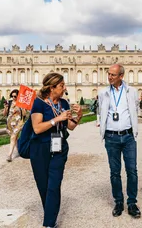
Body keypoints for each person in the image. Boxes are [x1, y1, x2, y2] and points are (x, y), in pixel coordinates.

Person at [29, 73, 83, 228]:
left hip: (59, 147)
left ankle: (49, 224)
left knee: (54, 184)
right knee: (43, 186)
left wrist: (78, 115)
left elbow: (71, 126)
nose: (64, 88)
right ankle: (50, 214)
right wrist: (57, 119)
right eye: (61, 85)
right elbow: (37, 128)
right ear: (52, 88)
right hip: (40, 148)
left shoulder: (64, 103)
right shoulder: (38, 103)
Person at [98, 64, 141, 218]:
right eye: (108, 74)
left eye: (113, 75)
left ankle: (132, 203)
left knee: (132, 171)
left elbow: (135, 108)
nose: (109, 77)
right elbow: (100, 111)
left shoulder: (132, 91)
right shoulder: (103, 93)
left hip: (128, 136)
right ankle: (118, 201)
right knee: (115, 172)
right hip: (111, 137)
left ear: (121, 76)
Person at [5, 89, 28, 162]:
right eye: (12, 96)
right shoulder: (10, 103)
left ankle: (9, 155)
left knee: (13, 137)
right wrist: (5, 107)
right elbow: (4, 114)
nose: (13, 97)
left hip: (18, 122)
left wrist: (24, 108)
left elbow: (24, 114)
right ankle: (19, 151)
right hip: (10, 123)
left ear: (18, 96)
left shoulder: (21, 104)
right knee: (14, 138)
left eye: (15, 96)